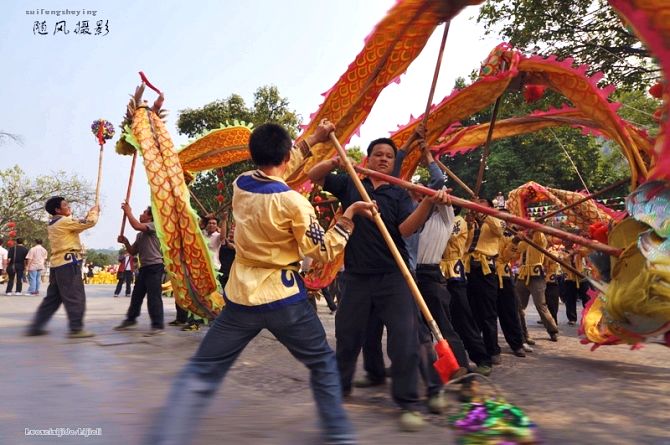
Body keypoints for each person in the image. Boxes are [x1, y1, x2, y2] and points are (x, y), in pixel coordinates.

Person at [146, 120, 374, 445]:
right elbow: (322, 251)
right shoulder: (295, 203)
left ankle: (164, 437)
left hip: (240, 299)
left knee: (203, 369)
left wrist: (313, 140)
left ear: (254, 155)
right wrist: (348, 216)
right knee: (322, 363)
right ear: (285, 156)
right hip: (285, 301)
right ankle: (339, 435)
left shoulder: (242, 185)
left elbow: (282, 165)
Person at [308, 135, 447, 431]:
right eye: (378, 154)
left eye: (389, 156)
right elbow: (313, 176)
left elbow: (406, 229)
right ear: (368, 159)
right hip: (356, 277)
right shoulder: (350, 184)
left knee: (404, 340)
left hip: (393, 277)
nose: (384, 158)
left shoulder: (398, 194)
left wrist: (429, 205)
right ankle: (339, 387)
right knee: (347, 336)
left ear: (393, 162)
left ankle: (409, 402)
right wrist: (335, 161)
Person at [25, 197, 99, 338]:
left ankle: (36, 325)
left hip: (57, 264)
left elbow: (77, 226)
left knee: (53, 298)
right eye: (65, 205)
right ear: (58, 210)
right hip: (69, 264)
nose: (69, 206)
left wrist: (88, 215)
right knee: (75, 296)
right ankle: (76, 328)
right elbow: (90, 222)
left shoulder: (54, 223)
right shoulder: (64, 221)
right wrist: (94, 213)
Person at [114, 204, 165, 334]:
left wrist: (128, 212)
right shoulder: (140, 235)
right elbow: (132, 251)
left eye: (144, 212)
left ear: (150, 217)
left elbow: (136, 225)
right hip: (145, 268)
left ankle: (158, 325)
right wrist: (125, 242)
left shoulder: (154, 226)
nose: (141, 214)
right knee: (136, 296)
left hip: (155, 266)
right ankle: (131, 319)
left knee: (154, 296)